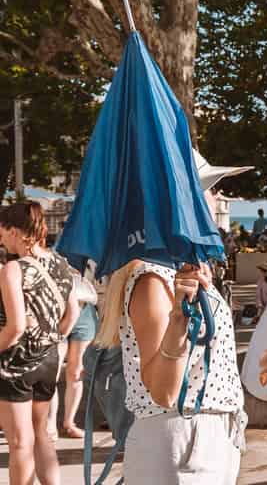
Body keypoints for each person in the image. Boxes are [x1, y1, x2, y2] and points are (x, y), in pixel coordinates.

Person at [95, 256, 245, 483]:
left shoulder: (179, 270)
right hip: (184, 436)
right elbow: (163, 391)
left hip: (210, 434)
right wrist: (179, 319)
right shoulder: (152, 280)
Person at [0, 202, 79, 485]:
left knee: (20, 441)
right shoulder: (61, 264)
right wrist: (52, 339)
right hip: (48, 359)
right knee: (41, 433)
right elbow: (74, 313)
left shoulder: (13, 269)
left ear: (18, 232)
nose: (1, 238)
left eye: (4, 232)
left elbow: (16, 326)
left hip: (16, 364)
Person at [61, 269, 100, 439]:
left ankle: (69, 423)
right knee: (52, 372)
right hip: (58, 308)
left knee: (76, 372)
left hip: (84, 308)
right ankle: (45, 425)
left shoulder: (90, 249)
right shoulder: (51, 248)